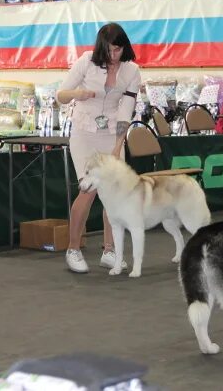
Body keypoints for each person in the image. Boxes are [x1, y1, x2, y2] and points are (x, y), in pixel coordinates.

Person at [57, 23, 141, 274]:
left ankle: (110, 250)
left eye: (117, 50)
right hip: (84, 133)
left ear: (124, 47)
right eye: (108, 50)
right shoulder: (86, 62)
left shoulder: (132, 71)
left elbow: (126, 110)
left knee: (115, 194)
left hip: (111, 133)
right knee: (89, 189)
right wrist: (78, 93)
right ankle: (73, 249)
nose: (112, 56)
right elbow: (60, 95)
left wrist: (118, 145)